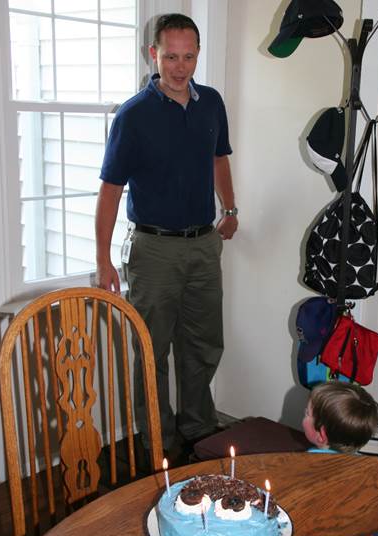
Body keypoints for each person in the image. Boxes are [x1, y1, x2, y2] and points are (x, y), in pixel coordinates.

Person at [95, 13, 237, 453]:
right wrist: (102, 259)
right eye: (170, 56)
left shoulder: (211, 103)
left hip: (203, 245)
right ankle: (157, 439)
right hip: (153, 250)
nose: (180, 66)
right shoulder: (133, 116)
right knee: (152, 352)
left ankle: (197, 429)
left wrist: (229, 208)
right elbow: (111, 189)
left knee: (203, 344)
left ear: (198, 55)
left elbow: (219, 159)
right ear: (153, 54)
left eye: (188, 56)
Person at [302, 382, 378, 453]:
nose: (304, 411)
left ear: (321, 436)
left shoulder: (306, 462)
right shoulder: (360, 462)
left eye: (307, 413)